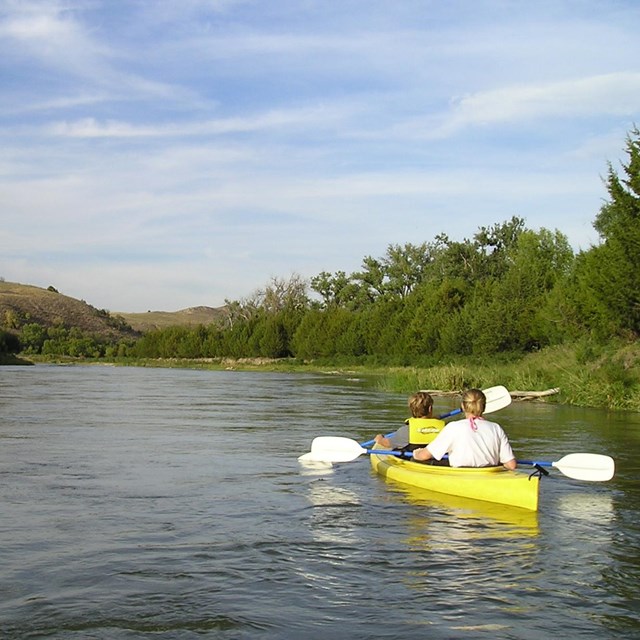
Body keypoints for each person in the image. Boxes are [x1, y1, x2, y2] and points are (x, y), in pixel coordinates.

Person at [412, 388, 516, 469]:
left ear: (463, 405)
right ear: (484, 407)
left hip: (462, 475)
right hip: (489, 475)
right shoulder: (496, 428)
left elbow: (424, 456)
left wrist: (416, 453)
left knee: (415, 459)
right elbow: (511, 465)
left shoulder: (453, 427)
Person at [374, 391, 445, 453]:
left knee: (396, 450)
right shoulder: (445, 428)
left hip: (414, 461)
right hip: (438, 463)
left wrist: (380, 439)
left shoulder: (405, 430)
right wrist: (433, 420)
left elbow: (387, 444)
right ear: (430, 409)